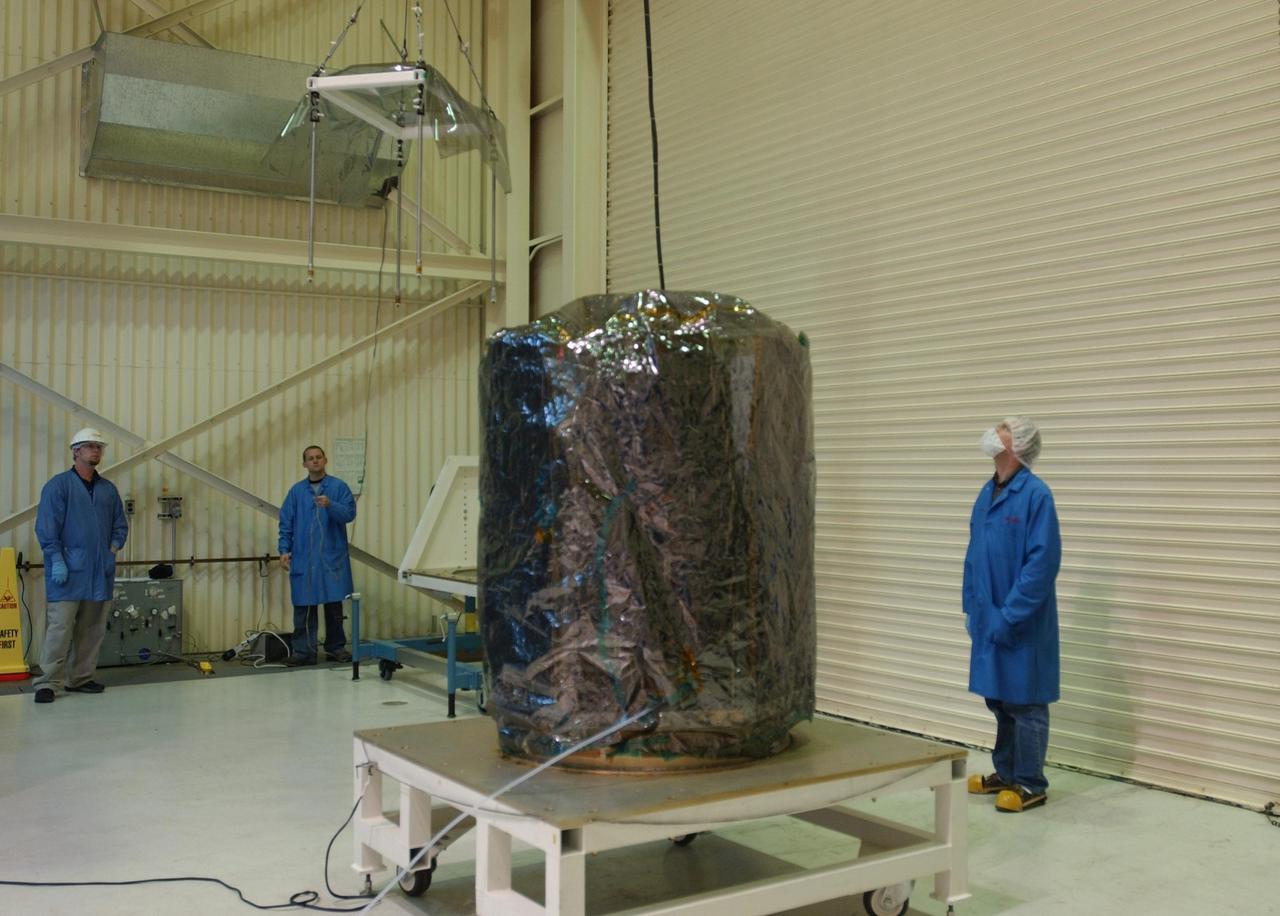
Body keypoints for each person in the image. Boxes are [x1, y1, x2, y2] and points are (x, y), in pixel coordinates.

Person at [963, 416, 1061, 813]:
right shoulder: (987, 492)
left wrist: (1011, 613)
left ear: (1016, 445)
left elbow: (1041, 564)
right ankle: (1006, 773)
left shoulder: (1036, 496)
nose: (994, 431)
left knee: (1026, 703)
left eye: (1003, 428)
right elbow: (974, 554)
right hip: (989, 616)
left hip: (1022, 622)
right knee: (1000, 701)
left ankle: (1031, 783)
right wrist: (971, 605)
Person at [32, 428, 129, 704]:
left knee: (92, 628)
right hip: (67, 573)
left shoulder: (108, 490)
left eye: (99, 447)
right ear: (76, 451)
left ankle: (81, 678)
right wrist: (56, 560)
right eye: (90, 446)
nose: (96, 450)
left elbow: (120, 526)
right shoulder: (59, 486)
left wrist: (111, 551)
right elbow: (47, 527)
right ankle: (47, 683)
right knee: (60, 629)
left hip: (99, 573)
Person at [278, 445, 356, 665]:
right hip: (304, 558)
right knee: (304, 607)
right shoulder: (296, 492)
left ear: (325, 460)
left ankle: (336, 648)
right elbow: (286, 522)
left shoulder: (338, 487)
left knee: (333, 606)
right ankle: (304, 652)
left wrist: (330, 505)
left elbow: (349, 514)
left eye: (318, 457)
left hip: (331, 557)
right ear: (304, 464)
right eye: (310, 458)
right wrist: (284, 550)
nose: (315, 461)